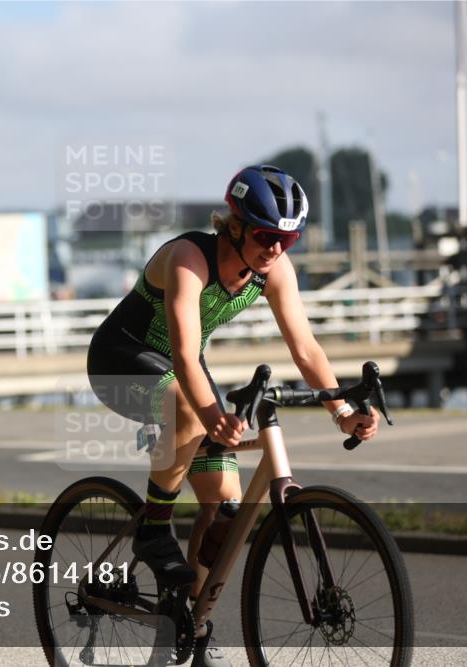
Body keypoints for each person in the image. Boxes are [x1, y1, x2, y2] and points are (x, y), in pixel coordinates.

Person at [86, 165, 380, 665]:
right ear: (237, 226)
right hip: (121, 359)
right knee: (188, 409)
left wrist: (343, 411)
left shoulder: (274, 268)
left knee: (223, 509)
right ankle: (154, 529)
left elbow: (305, 350)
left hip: (182, 369)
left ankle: (187, 626)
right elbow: (181, 354)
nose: (276, 249)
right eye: (267, 236)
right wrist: (208, 414)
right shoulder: (188, 258)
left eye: (288, 239)